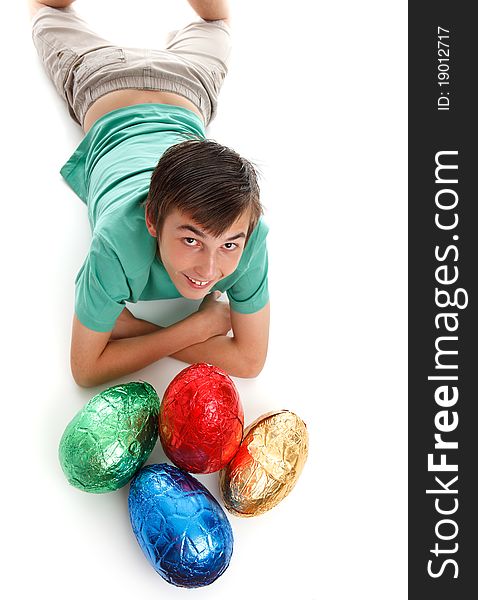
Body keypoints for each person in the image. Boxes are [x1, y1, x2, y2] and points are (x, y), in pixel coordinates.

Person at [29, 0, 270, 387]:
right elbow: (86, 370)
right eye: (191, 239)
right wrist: (195, 328)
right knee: (43, 8)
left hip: (186, 85)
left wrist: (132, 328)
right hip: (103, 81)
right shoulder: (116, 243)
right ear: (152, 221)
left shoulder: (248, 229)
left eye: (228, 245)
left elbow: (249, 360)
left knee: (218, 20)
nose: (209, 271)